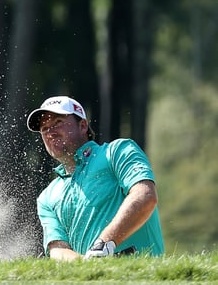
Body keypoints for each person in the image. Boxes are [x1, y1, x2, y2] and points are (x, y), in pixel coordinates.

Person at [26, 95, 164, 260]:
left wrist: (104, 244)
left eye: (58, 123)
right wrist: (85, 265)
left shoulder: (117, 152)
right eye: (44, 128)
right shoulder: (47, 197)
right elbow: (58, 249)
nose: (51, 132)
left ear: (83, 126)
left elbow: (145, 196)